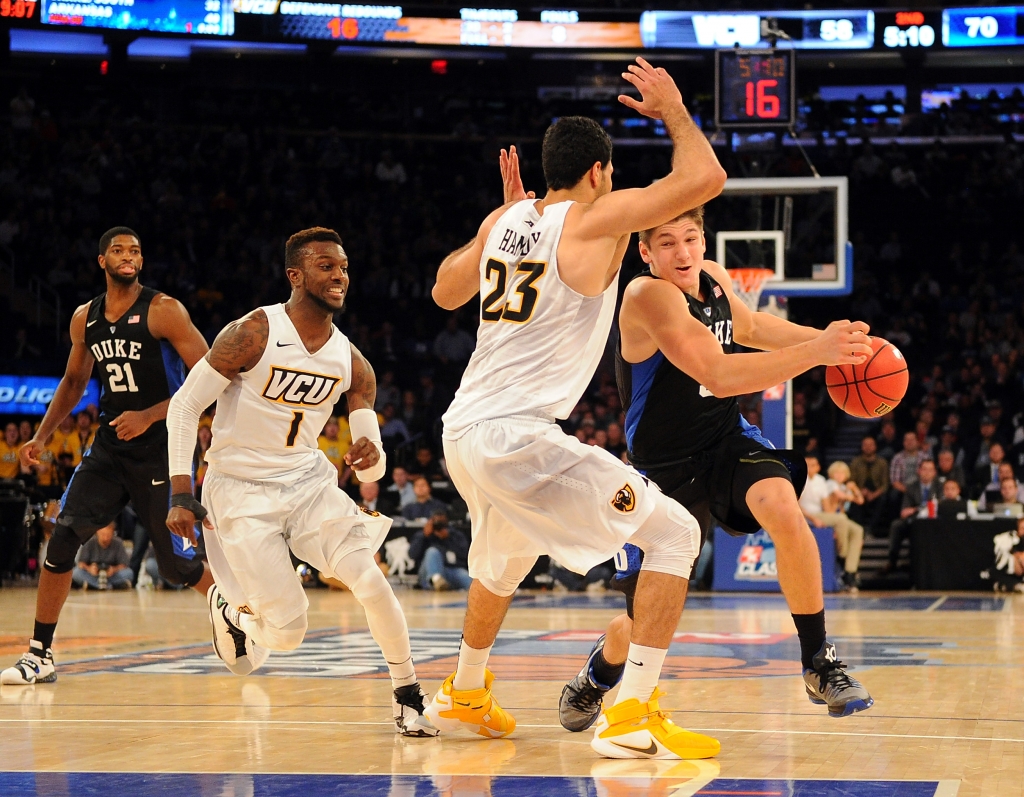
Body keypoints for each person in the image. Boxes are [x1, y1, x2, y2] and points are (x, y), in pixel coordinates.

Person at [424, 57, 730, 760]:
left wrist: (498, 221)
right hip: (514, 434)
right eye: (611, 174)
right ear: (599, 173)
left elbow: (444, 291)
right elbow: (703, 180)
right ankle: (629, 716)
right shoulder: (595, 219)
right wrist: (676, 112)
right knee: (677, 534)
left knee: (501, 563)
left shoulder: (507, 220)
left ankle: (465, 694)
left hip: (463, 430)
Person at [557, 197, 874, 734]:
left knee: (783, 505)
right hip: (662, 470)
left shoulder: (713, 278)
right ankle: (598, 673)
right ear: (645, 251)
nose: (681, 252)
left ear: (703, 241)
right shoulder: (645, 295)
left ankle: (819, 661)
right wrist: (819, 351)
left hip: (726, 440)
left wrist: (842, 346)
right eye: (665, 243)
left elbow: (749, 326)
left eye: (689, 239)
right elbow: (721, 374)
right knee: (641, 623)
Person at [164, 226, 436, 738]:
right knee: (288, 635)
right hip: (239, 487)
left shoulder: (354, 364)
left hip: (308, 483)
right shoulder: (252, 332)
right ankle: (230, 609)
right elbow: (184, 406)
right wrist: (180, 490)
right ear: (295, 275)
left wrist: (372, 455)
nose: (340, 276)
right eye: (327, 266)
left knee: (371, 581)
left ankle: (408, 698)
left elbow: (372, 467)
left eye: (345, 268)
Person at [2, 227, 212, 687]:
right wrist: (41, 435)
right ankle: (40, 654)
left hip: (163, 448)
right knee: (62, 538)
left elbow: (210, 381)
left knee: (178, 566)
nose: (129, 256)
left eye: (136, 250)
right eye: (119, 250)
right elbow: (74, 382)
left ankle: (240, 611)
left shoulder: (164, 310)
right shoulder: (85, 318)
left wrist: (150, 415)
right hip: (110, 448)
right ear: (102, 261)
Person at [799, 456, 866, 591]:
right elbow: (796, 504)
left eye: (813, 465)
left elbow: (827, 507)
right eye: (807, 464)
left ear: (818, 467)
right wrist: (813, 519)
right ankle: (843, 555)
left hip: (821, 514)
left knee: (857, 530)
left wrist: (834, 513)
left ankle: (849, 571)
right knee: (841, 520)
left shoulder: (821, 481)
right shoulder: (799, 480)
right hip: (807, 515)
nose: (810, 468)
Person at [883, 458, 938, 574]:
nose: (927, 472)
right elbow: (904, 512)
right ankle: (892, 560)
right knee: (896, 525)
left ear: (934, 472)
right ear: (919, 471)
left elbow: (941, 506)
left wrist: (916, 509)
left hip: (934, 523)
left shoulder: (940, 487)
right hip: (914, 522)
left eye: (930, 470)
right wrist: (921, 509)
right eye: (924, 469)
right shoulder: (911, 487)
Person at [409, 512, 471, 591]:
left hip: (450, 570)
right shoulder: (422, 535)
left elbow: (465, 555)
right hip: (428, 572)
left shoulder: (455, 535)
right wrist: (424, 536)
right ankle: (436, 579)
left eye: (441, 523)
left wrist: (448, 539)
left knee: (468, 579)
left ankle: (441, 583)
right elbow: (412, 555)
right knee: (432, 551)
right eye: (436, 522)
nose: (438, 525)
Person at [71, 520, 133, 590]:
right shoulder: (89, 542)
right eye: (103, 535)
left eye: (108, 535)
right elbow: (81, 563)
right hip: (93, 575)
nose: (105, 538)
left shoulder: (118, 543)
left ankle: (94, 585)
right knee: (76, 572)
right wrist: (90, 569)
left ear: (113, 533)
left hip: (111, 575)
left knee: (128, 573)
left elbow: (124, 564)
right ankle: (106, 586)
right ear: (97, 532)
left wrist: (113, 569)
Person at [849, 435, 889, 536]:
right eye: (865, 445)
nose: (868, 447)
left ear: (875, 446)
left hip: (876, 493)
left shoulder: (882, 463)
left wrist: (874, 494)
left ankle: (871, 529)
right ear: (862, 447)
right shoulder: (855, 462)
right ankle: (859, 530)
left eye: (870, 445)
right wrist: (859, 492)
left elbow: (885, 484)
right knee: (854, 501)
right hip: (860, 492)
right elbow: (851, 481)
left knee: (883, 500)